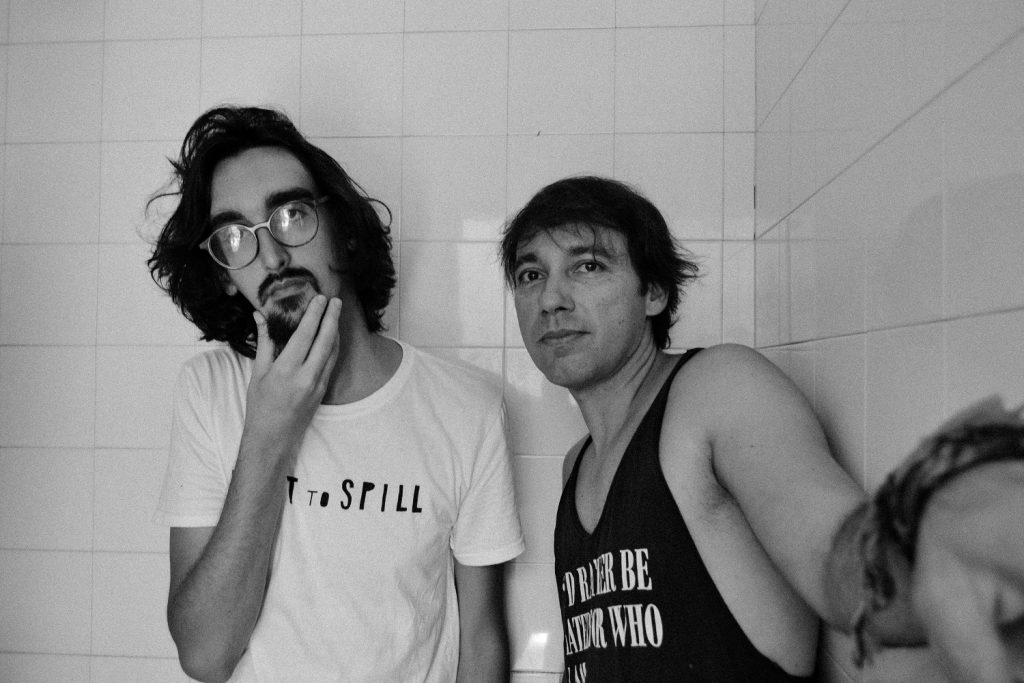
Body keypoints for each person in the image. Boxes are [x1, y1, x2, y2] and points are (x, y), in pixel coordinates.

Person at [498, 175, 1024, 682]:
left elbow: (836, 559)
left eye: (587, 266)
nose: (551, 299)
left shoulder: (715, 388)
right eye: (530, 275)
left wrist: (940, 542)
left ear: (653, 291)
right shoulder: (578, 464)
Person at [148, 105, 524, 682]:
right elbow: (204, 656)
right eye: (235, 237)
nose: (272, 256)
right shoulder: (210, 390)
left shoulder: (466, 409)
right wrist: (267, 434)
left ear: (343, 230)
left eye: (291, 215)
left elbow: (480, 639)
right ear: (224, 273)